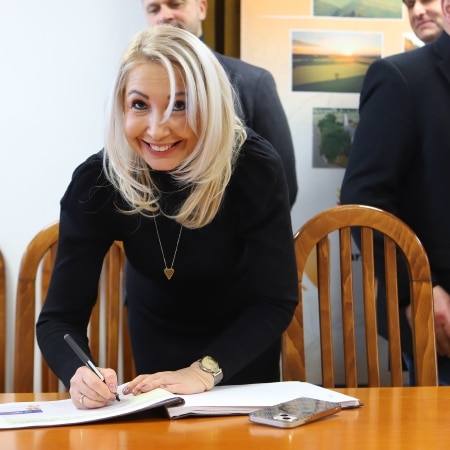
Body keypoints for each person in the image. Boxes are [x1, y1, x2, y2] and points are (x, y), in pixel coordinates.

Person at [36, 25, 298, 409]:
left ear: (210, 106)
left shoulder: (253, 168)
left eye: (180, 105)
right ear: (122, 107)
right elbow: (58, 319)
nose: (157, 129)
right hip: (155, 339)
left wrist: (203, 372)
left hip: (242, 350)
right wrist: (79, 371)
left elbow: (275, 300)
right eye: (140, 105)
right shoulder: (97, 182)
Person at [340, 0, 450, 385]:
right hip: (439, 312)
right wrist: (417, 289)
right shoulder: (400, 77)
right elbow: (365, 201)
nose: (417, 9)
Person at [141, 0, 298, 208]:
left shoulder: (254, 83)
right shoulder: (132, 88)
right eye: (154, 9)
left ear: (201, 7)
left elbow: (283, 186)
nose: (164, 15)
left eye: (175, 4)